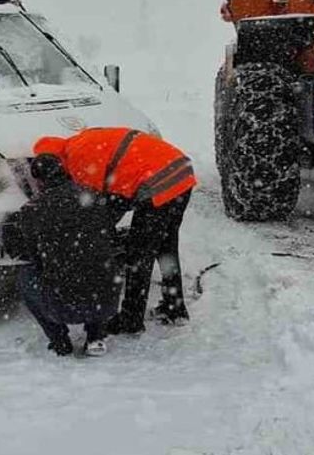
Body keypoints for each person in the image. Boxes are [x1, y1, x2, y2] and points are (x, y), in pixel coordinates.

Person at [33, 127, 196, 335]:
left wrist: (92, 237)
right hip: (180, 171)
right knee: (165, 246)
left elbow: (98, 210)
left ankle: (131, 319)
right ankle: (174, 307)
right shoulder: (81, 141)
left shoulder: (78, 161)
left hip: (157, 181)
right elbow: (113, 194)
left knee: (139, 254)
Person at [11, 153, 125, 357]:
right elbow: (110, 239)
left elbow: (33, 257)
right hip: (106, 302)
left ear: (39, 181)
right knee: (98, 265)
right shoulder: (94, 196)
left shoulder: (32, 210)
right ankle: (96, 336)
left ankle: (59, 341)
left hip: (62, 305)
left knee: (25, 275)